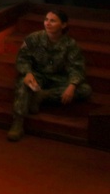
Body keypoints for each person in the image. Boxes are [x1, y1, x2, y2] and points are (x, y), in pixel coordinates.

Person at [7, 9, 91, 142]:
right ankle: (17, 123)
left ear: (63, 25)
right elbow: (22, 59)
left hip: (58, 78)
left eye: (53, 20)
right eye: (46, 19)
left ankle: (43, 96)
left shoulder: (70, 44)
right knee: (23, 84)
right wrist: (27, 73)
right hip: (37, 75)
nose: (47, 23)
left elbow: (77, 67)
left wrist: (72, 85)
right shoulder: (33, 38)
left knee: (85, 90)